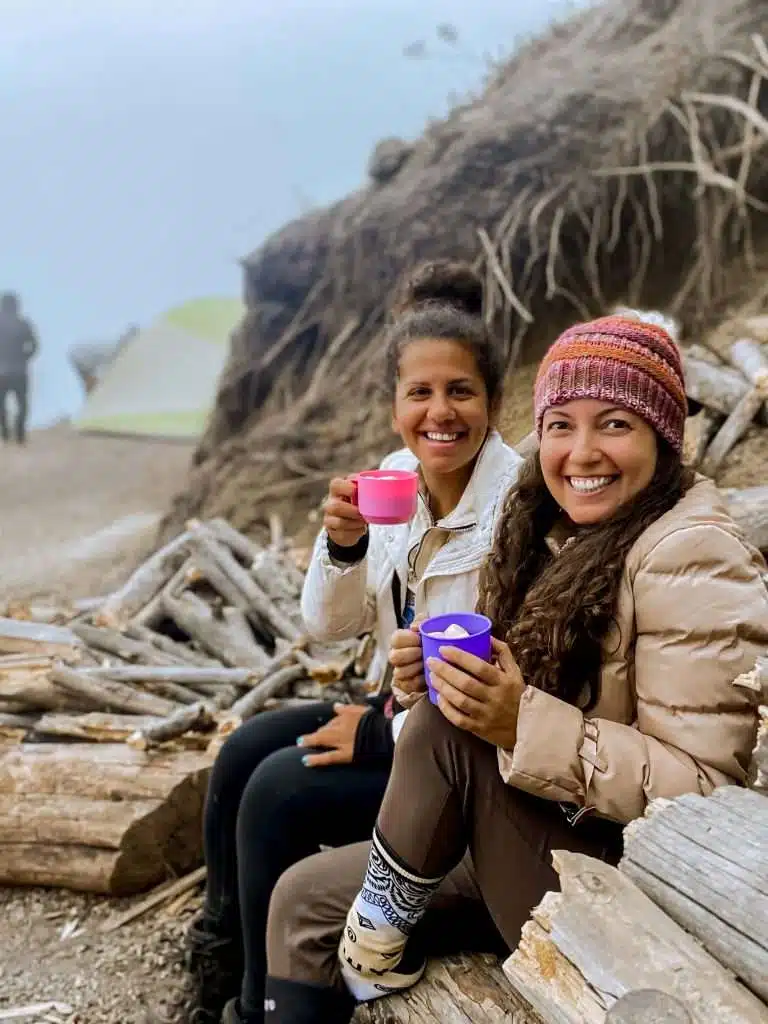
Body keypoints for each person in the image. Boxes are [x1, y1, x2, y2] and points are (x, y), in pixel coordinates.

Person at [258, 311, 768, 1023]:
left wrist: (517, 719)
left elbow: (705, 793)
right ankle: (368, 946)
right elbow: (333, 627)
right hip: (533, 814)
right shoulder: (548, 526)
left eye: (614, 424)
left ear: (662, 432)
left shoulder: (691, 554)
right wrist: (434, 678)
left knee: (434, 732)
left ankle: (374, 946)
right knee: (301, 900)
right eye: (561, 425)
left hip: (622, 879)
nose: (581, 452)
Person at [184, 260, 523, 1024]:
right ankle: (218, 961)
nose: (440, 411)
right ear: (393, 403)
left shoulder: (517, 507)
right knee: (244, 752)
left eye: (460, 391)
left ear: (495, 401)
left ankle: (251, 1006)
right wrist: (341, 549)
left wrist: (377, 732)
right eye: (420, 393)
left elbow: (481, 685)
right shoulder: (395, 479)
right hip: (395, 711)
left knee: (278, 793)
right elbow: (327, 627)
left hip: (457, 756)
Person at [0, 292, 38, 445]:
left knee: (1, 404)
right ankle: (20, 433)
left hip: (1, 372)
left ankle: (5, 432)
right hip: (20, 371)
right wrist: (25, 357)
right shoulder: (23, 324)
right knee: (22, 403)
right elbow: (35, 345)